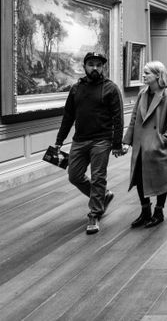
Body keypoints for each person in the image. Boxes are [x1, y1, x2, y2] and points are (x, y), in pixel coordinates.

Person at [54, 52, 124, 235]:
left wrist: (116, 143)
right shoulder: (76, 89)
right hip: (79, 140)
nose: (95, 68)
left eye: (99, 65)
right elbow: (68, 116)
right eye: (91, 64)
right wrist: (59, 142)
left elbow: (118, 118)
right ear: (84, 66)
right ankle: (103, 196)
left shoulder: (111, 88)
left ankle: (94, 213)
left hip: (102, 140)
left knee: (98, 176)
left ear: (103, 68)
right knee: (74, 175)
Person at [122, 61, 167, 228]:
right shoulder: (142, 94)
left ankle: (159, 211)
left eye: (147, 73)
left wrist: (162, 140)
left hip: (157, 146)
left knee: (161, 178)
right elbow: (134, 119)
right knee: (140, 178)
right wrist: (127, 142)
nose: (143, 76)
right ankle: (145, 211)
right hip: (141, 146)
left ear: (157, 75)